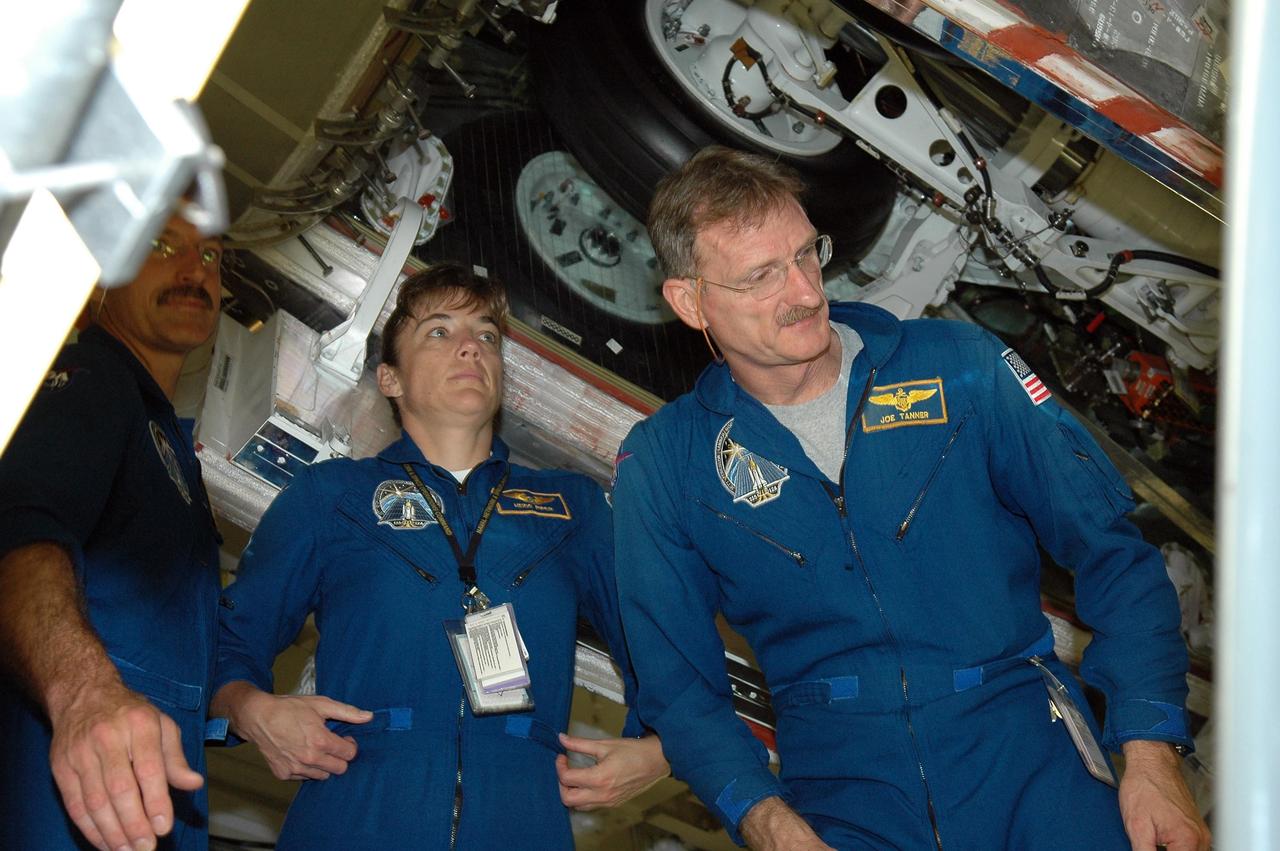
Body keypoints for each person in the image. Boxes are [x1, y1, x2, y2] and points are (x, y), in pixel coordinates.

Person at [609, 146, 1211, 851]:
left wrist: (1151, 749)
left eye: (807, 254)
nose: (804, 291)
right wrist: (764, 818)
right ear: (690, 300)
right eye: (761, 275)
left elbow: (1115, 553)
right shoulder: (667, 464)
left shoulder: (962, 370)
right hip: (844, 794)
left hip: (1028, 756)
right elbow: (677, 686)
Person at [209, 263, 667, 849]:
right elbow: (227, 638)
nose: (470, 348)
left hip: (523, 817)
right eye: (439, 332)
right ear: (390, 379)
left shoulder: (571, 506)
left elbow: (663, 648)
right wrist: (249, 710)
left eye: (487, 336)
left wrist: (661, 750)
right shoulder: (331, 497)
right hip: (356, 807)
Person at [0, 210, 225, 851]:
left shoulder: (167, 443)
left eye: (211, 257)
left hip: (143, 807)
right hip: (59, 806)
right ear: (103, 281)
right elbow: (19, 530)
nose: (195, 271)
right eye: (163, 245)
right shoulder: (89, 382)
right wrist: (83, 697)